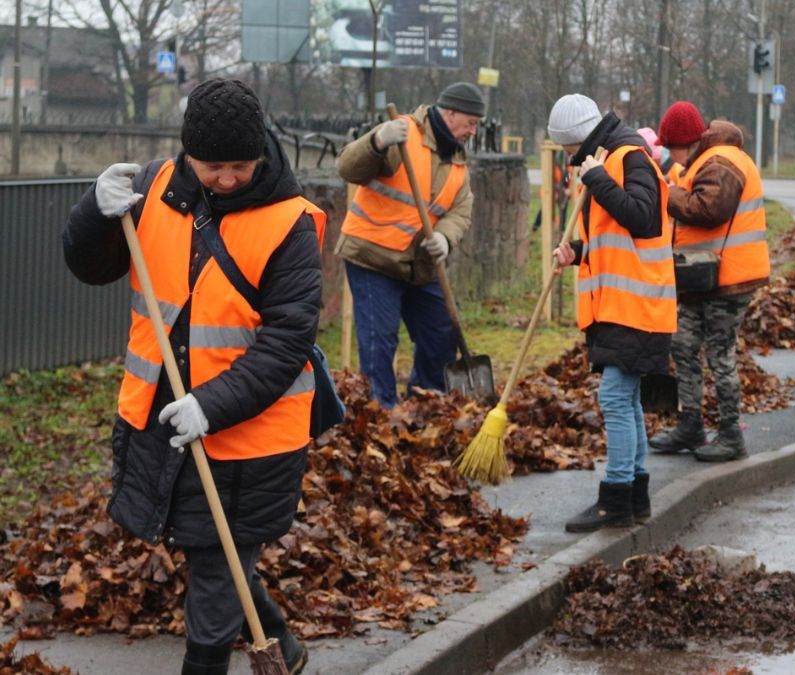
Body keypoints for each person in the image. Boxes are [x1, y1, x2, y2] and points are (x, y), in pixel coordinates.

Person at [62, 78, 318, 674]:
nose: (227, 179)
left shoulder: (291, 223)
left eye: (240, 166)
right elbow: (91, 266)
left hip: (251, 436)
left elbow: (287, 341)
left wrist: (212, 404)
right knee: (207, 547)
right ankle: (282, 640)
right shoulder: (153, 190)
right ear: (187, 154)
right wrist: (92, 214)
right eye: (212, 167)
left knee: (214, 566)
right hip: (161, 417)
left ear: (260, 154)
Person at [547, 94, 675, 532]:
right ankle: (634, 496)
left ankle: (616, 498)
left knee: (616, 398)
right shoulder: (608, 160)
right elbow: (616, 240)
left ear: (580, 139)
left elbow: (643, 218)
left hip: (638, 306)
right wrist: (578, 251)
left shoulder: (629, 158)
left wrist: (597, 179)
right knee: (627, 399)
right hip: (624, 305)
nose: (569, 158)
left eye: (568, 149)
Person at [335, 82, 483, 407]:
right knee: (379, 340)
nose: (474, 131)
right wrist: (376, 142)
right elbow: (347, 167)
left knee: (441, 330)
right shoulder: (402, 134)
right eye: (471, 123)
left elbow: (461, 209)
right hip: (373, 256)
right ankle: (380, 412)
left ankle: (426, 401)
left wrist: (445, 236)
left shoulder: (457, 161)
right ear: (451, 113)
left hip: (419, 264)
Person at [648, 101, 771, 462]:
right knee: (683, 346)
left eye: (670, 147)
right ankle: (691, 425)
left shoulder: (721, 163)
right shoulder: (705, 161)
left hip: (728, 279)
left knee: (719, 355)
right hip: (703, 276)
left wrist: (664, 192)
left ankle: (731, 435)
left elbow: (708, 210)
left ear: (684, 142)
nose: (669, 155)